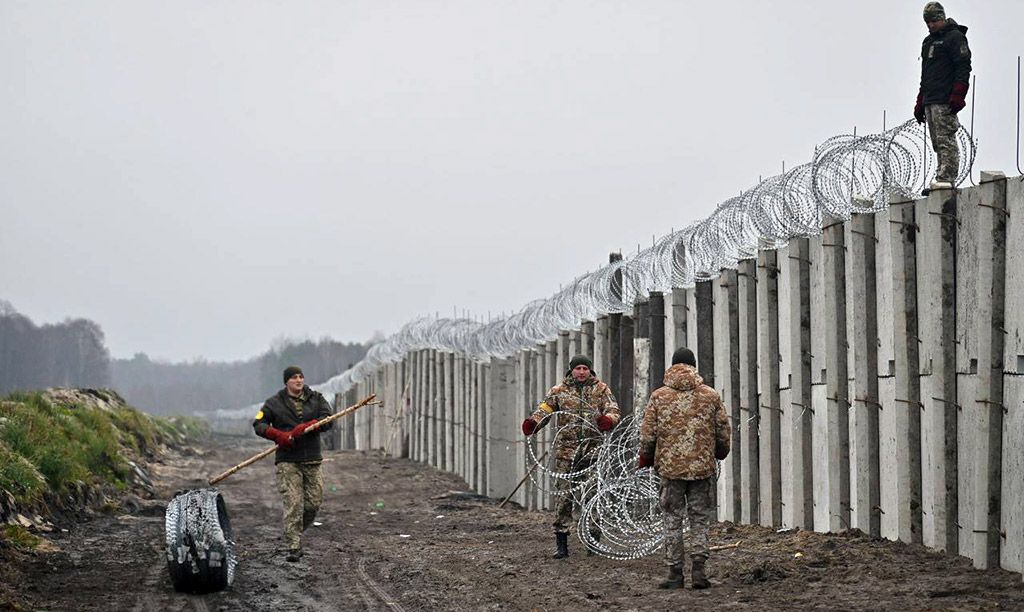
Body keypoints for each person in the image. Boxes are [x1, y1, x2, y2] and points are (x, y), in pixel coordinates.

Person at [638, 348, 730, 590]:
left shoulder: (659, 396)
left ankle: (674, 573)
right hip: (701, 468)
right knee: (699, 519)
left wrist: (646, 457)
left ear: (672, 366)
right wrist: (720, 452)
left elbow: (648, 434)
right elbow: (722, 429)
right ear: (693, 366)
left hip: (670, 469)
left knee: (672, 519)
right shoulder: (710, 395)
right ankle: (699, 571)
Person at [522, 355, 620, 559]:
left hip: (592, 452)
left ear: (590, 370)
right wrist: (534, 423)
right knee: (564, 497)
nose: (581, 372)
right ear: (571, 370)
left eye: (585, 368)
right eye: (578, 368)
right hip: (566, 453)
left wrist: (607, 420)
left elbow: (613, 410)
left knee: (593, 496)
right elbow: (544, 410)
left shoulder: (601, 389)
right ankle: (562, 542)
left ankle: (593, 541)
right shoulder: (559, 391)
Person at [253, 366, 334, 562]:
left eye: (301, 377)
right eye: (294, 378)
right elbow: (258, 424)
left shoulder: (316, 399)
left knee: (313, 503)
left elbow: (328, 419)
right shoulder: (274, 403)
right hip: (288, 460)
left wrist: (309, 426)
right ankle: (293, 546)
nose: (298, 380)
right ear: (286, 382)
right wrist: (277, 435)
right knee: (294, 502)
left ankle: (295, 531)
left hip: (312, 458)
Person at [913, 2, 971, 194]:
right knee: (937, 141)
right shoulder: (927, 42)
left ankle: (947, 177)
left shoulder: (955, 38)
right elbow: (926, 74)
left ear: (942, 18)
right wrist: (920, 100)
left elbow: (963, 67)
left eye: (933, 21)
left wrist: (958, 94)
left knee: (946, 138)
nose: (930, 25)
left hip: (945, 98)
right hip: (931, 97)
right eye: (927, 22)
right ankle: (940, 175)